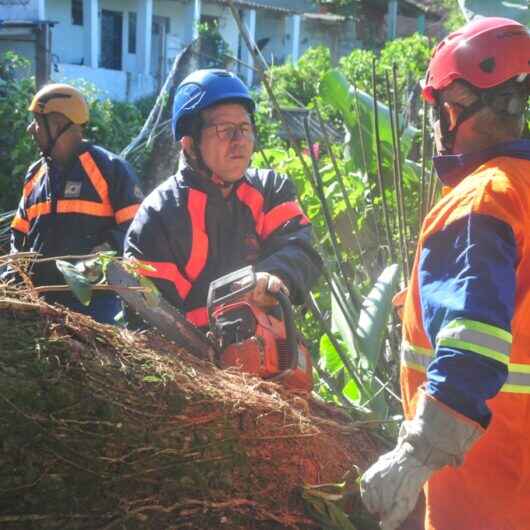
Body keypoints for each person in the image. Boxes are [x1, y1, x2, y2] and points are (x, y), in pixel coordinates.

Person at [360, 17, 530, 530]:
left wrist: (414, 456)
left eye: (438, 108)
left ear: (455, 107)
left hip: (483, 499)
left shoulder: (484, 199)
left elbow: (471, 345)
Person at [124, 69, 321, 328]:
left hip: (270, 356)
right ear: (189, 143)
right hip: (190, 362)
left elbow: (300, 249)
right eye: (225, 130)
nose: (239, 141)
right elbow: (148, 319)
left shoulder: (271, 190)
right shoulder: (159, 216)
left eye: (244, 128)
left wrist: (274, 275)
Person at [5, 83, 143, 324]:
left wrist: (99, 259)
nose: (31, 129)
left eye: (37, 121)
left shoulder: (110, 169)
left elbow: (137, 232)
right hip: (40, 311)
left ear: (59, 124)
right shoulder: (34, 175)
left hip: (98, 313)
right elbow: (19, 239)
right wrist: (12, 282)